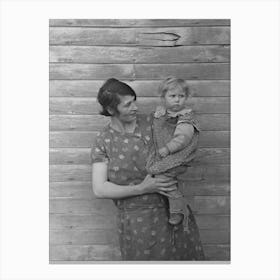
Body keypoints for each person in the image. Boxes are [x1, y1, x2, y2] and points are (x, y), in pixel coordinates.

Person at [91, 78, 205, 261]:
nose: (135, 107)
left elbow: (185, 138)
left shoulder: (154, 122)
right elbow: (99, 188)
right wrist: (142, 188)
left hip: (171, 212)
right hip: (136, 224)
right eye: (128, 105)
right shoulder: (104, 141)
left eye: (134, 101)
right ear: (111, 110)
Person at [146, 77, 200, 230]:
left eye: (181, 96)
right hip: (166, 154)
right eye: (172, 96)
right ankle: (166, 203)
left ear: (186, 97)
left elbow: (182, 139)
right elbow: (158, 128)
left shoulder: (186, 117)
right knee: (154, 175)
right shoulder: (163, 113)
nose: (177, 100)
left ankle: (177, 210)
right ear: (163, 98)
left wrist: (167, 149)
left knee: (163, 179)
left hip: (178, 156)